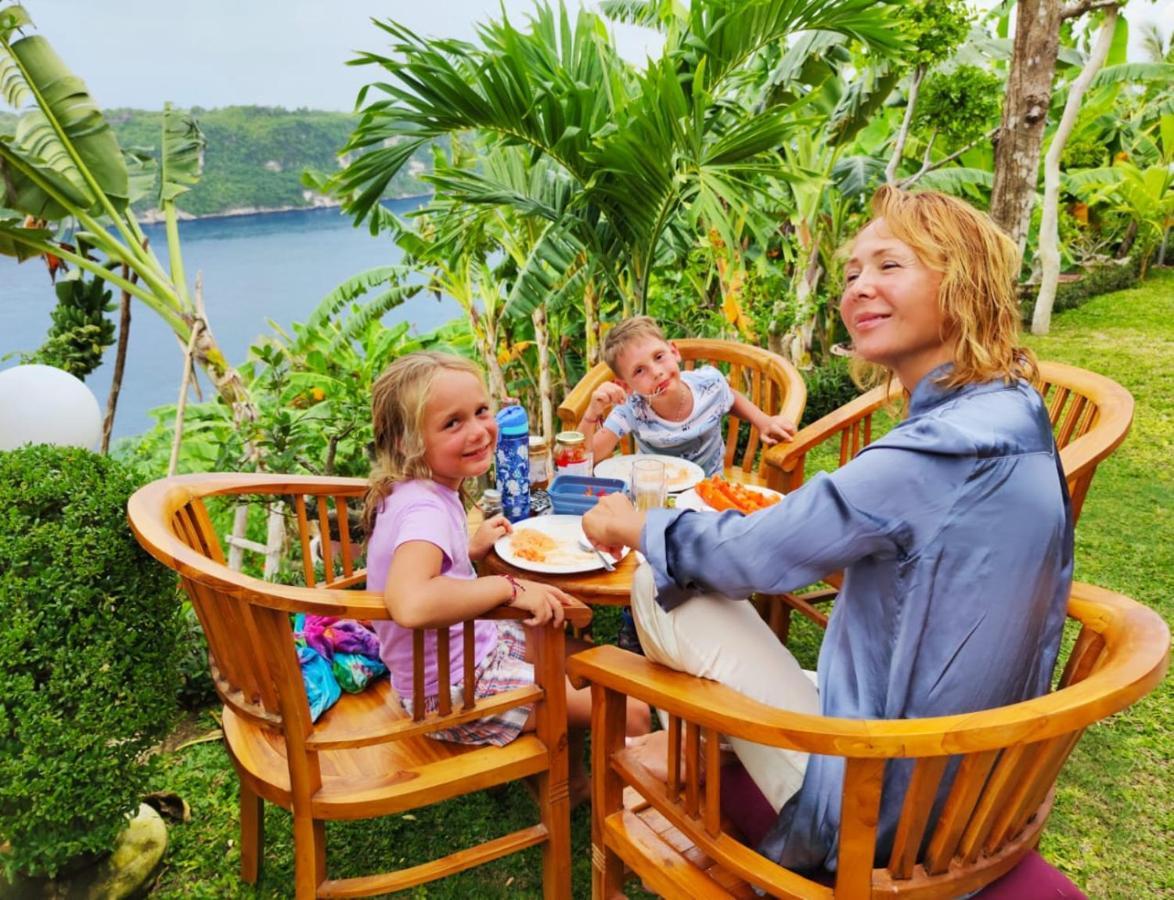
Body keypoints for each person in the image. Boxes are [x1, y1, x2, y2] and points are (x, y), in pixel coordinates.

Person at [583, 186, 1074, 871]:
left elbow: (754, 556)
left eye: (888, 266)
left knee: (655, 584)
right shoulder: (1016, 411)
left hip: (883, 798)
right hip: (971, 775)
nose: (858, 288)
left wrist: (639, 527)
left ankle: (719, 756)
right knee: (694, 576)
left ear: (961, 282)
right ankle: (722, 740)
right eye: (851, 274)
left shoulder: (928, 455)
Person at [363, 351, 649, 803]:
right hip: (455, 691)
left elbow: (422, 565)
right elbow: (411, 602)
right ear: (406, 442)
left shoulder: (416, 491)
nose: (478, 431)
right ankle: (629, 815)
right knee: (632, 710)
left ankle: (568, 783)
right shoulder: (424, 510)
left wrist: (467, 551)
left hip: (456, 662)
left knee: (582, 653)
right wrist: (508, 587)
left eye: (480, 411)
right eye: (452, 423)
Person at [577, 316, 796, 476]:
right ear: (626, 386)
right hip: (656, 496)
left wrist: (762, 421)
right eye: (639, 371)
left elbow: (728, 396)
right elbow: (589, 458)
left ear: (674, 352)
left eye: (659, 356)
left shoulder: (708, 385)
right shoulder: (632, 409)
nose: (656, 372)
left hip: (710, 491)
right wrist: (590, 415)